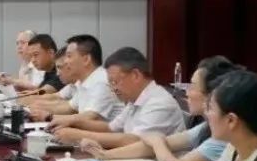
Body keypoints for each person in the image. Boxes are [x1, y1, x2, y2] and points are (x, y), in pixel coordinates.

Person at [81, 55, 238, 161]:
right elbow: (152, 144)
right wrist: (105, 155)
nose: (187, 92)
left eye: (193, 86)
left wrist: (157, 142)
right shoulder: (204, 127)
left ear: (212, 95)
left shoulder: (223, 138)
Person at [54, 47, 184, 148]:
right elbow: (110, 128)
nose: (113, 88)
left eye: (115, 82)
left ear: (135, 75)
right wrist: (73, 122)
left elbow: (134, 141)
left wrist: (78, 135)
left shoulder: (159, 102)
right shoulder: (135, 100)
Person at [29, 35, 122, 125]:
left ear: (86, 59)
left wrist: (49, 116)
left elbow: (90, 118)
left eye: (69, 56)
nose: (66, 61)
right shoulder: (84, 81)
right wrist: (34, 108)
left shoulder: (101, 81)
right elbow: (69, 107)